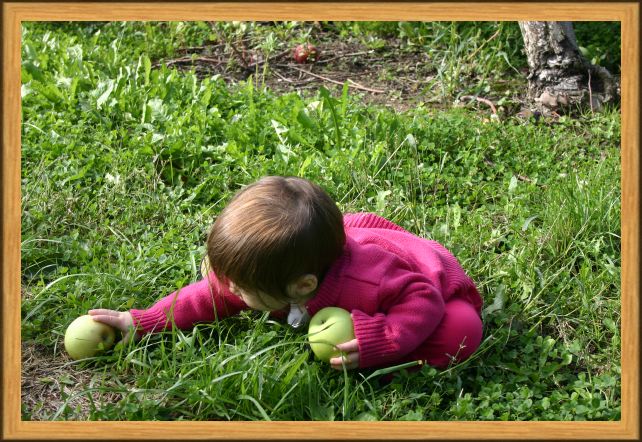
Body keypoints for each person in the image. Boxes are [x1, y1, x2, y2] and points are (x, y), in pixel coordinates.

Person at [89, 176, 483, 371]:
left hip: (425, 278)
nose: (230, 292)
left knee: (460, 329)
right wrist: (143, 321)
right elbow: (206, 296)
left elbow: (422, 298)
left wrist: (382, 341)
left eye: (240, 289)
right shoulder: (268, 275)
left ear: (303, 287)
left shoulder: (368, 282)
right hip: (332, 256)